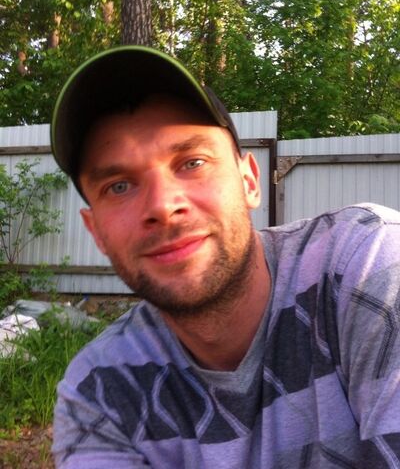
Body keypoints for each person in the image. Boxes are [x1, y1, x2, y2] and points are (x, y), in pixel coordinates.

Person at [51, 46, 400, 469]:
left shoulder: (365, 267)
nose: (163, 206)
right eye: (119, 186)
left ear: (249, 181)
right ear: (96, 233)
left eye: (192, 162)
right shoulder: (100, 391)